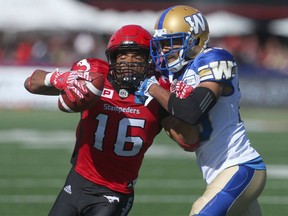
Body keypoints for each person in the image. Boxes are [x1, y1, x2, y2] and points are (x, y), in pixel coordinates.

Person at [24, 24, 173, 216]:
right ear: (112, 58)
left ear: (149, 60)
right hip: (77, 180)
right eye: (123, 56)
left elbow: (188, 140)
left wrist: (171, 106)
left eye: (137, 57)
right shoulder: (95, 77)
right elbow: (31, 83)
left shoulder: (158, 90)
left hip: (115, 192)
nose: (129, 62)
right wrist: (61, 78)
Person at [136, 5, 267, 216]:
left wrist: (153, 88)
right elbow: (190, 141)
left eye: (173, 42)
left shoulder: (214, 58)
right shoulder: (174, 78)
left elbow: (192, 111)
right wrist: (162, 115)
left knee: (200, 212)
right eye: (162, 45)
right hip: (217, 175)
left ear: (195, 38)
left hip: (240, 166)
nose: (165, 50)